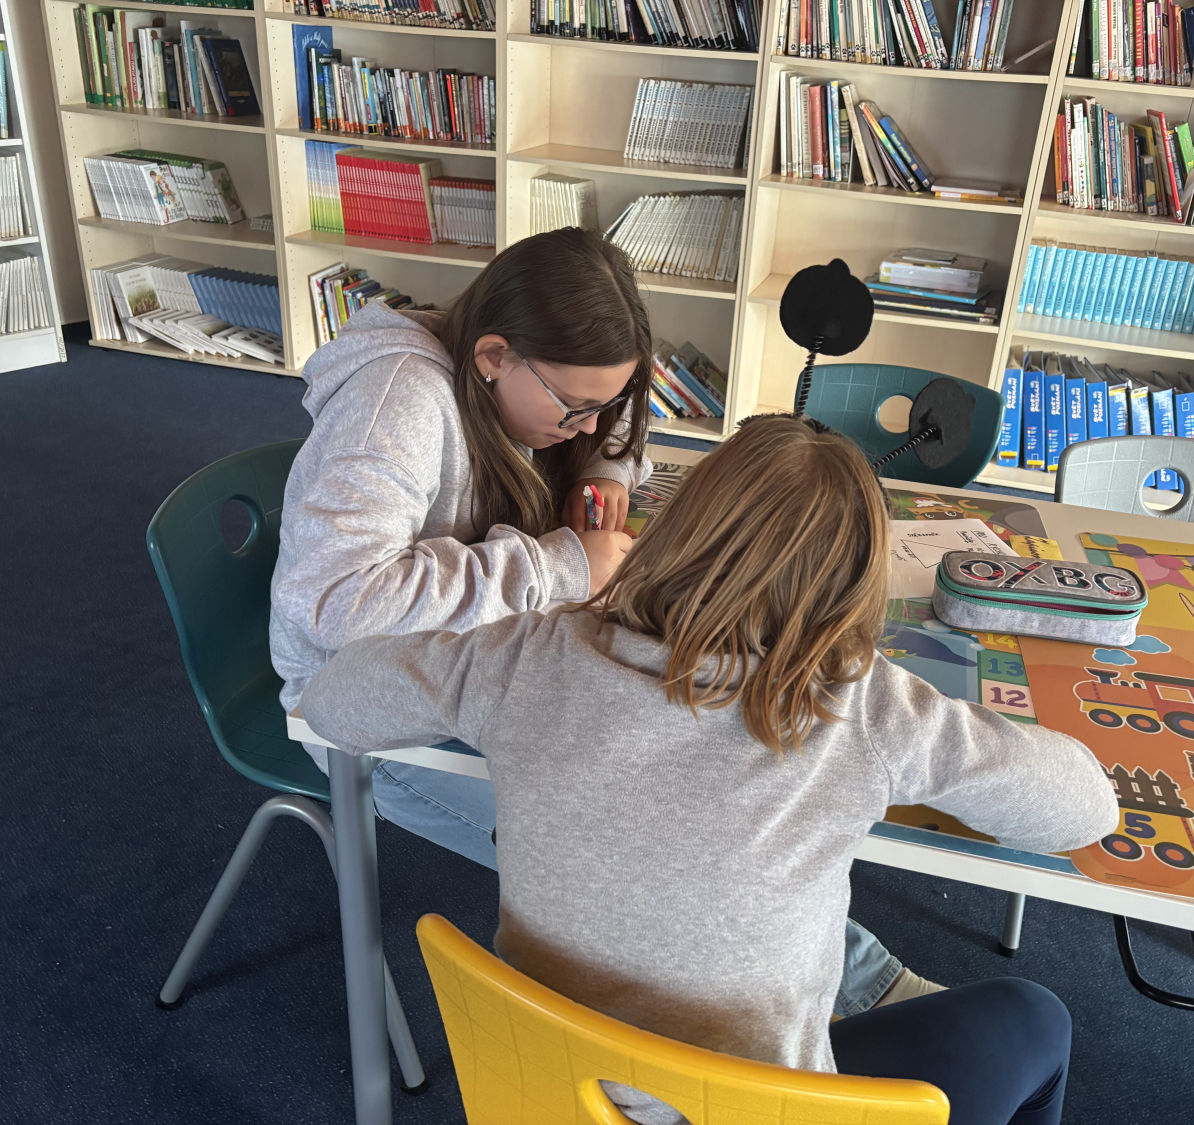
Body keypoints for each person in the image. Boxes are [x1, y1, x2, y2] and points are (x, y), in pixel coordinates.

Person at [299, 414, 1120, 1125]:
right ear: (849, 592)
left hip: (540, 1090)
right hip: (754, 1108)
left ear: (679, 527)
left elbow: (333, 700)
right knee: (1033, 1018)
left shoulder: (530, 652)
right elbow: (1086, 807)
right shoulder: (862, 706)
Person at [268, 229, 922, 1019]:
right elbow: (334, 603)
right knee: (663, 821)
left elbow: (612, 429)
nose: (588, 425)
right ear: (494, 356)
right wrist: (560, 566)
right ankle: (863, 986)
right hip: (375, 707)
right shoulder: (395, 402)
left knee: (700, 760)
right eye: (575, 407)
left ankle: (855, 977)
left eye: (604, 403)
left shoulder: (527, 378)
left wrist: (607, 472)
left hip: (496, 654)